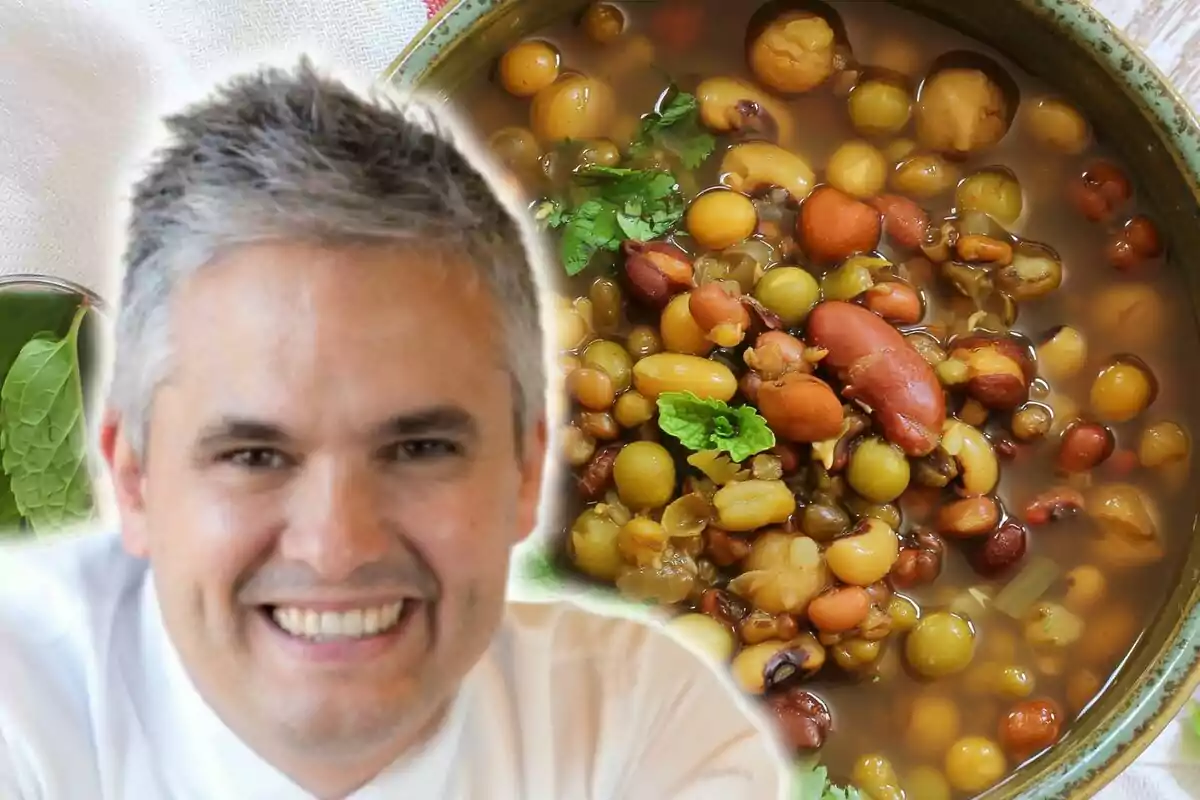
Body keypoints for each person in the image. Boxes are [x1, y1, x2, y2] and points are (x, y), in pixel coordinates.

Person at [0, 59, 792, 800]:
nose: (336, 545)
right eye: (252, 455)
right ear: (134, 482)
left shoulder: (655, 728)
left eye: (419, 449)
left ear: (526, 470)